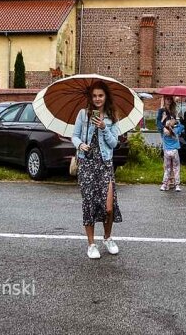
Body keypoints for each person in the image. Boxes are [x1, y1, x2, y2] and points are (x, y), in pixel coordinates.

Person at [71, 82, 122, 260]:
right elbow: (74, 136)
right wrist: (80, 145)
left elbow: (114, 143)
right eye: (94, 96)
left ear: (106, 96)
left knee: (109, 207)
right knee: (90, 204)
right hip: (87, 164)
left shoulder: (112, 116)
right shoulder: (83, 114)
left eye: (100, 95)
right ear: (90, 98)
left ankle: (107, 238)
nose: (97, 99)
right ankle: (91, 244)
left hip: (105, 164)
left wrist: (103, 127)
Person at [160, 116, 184, 192]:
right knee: (176, 168)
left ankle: (164, 184)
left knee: (167, 169)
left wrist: (163, 119)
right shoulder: (176, 130)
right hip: (174, 151)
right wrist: (177, 121)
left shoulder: (164, 131)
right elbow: (182, 126)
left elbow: (160, 126)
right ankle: (177, 185)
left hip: (166, 151)